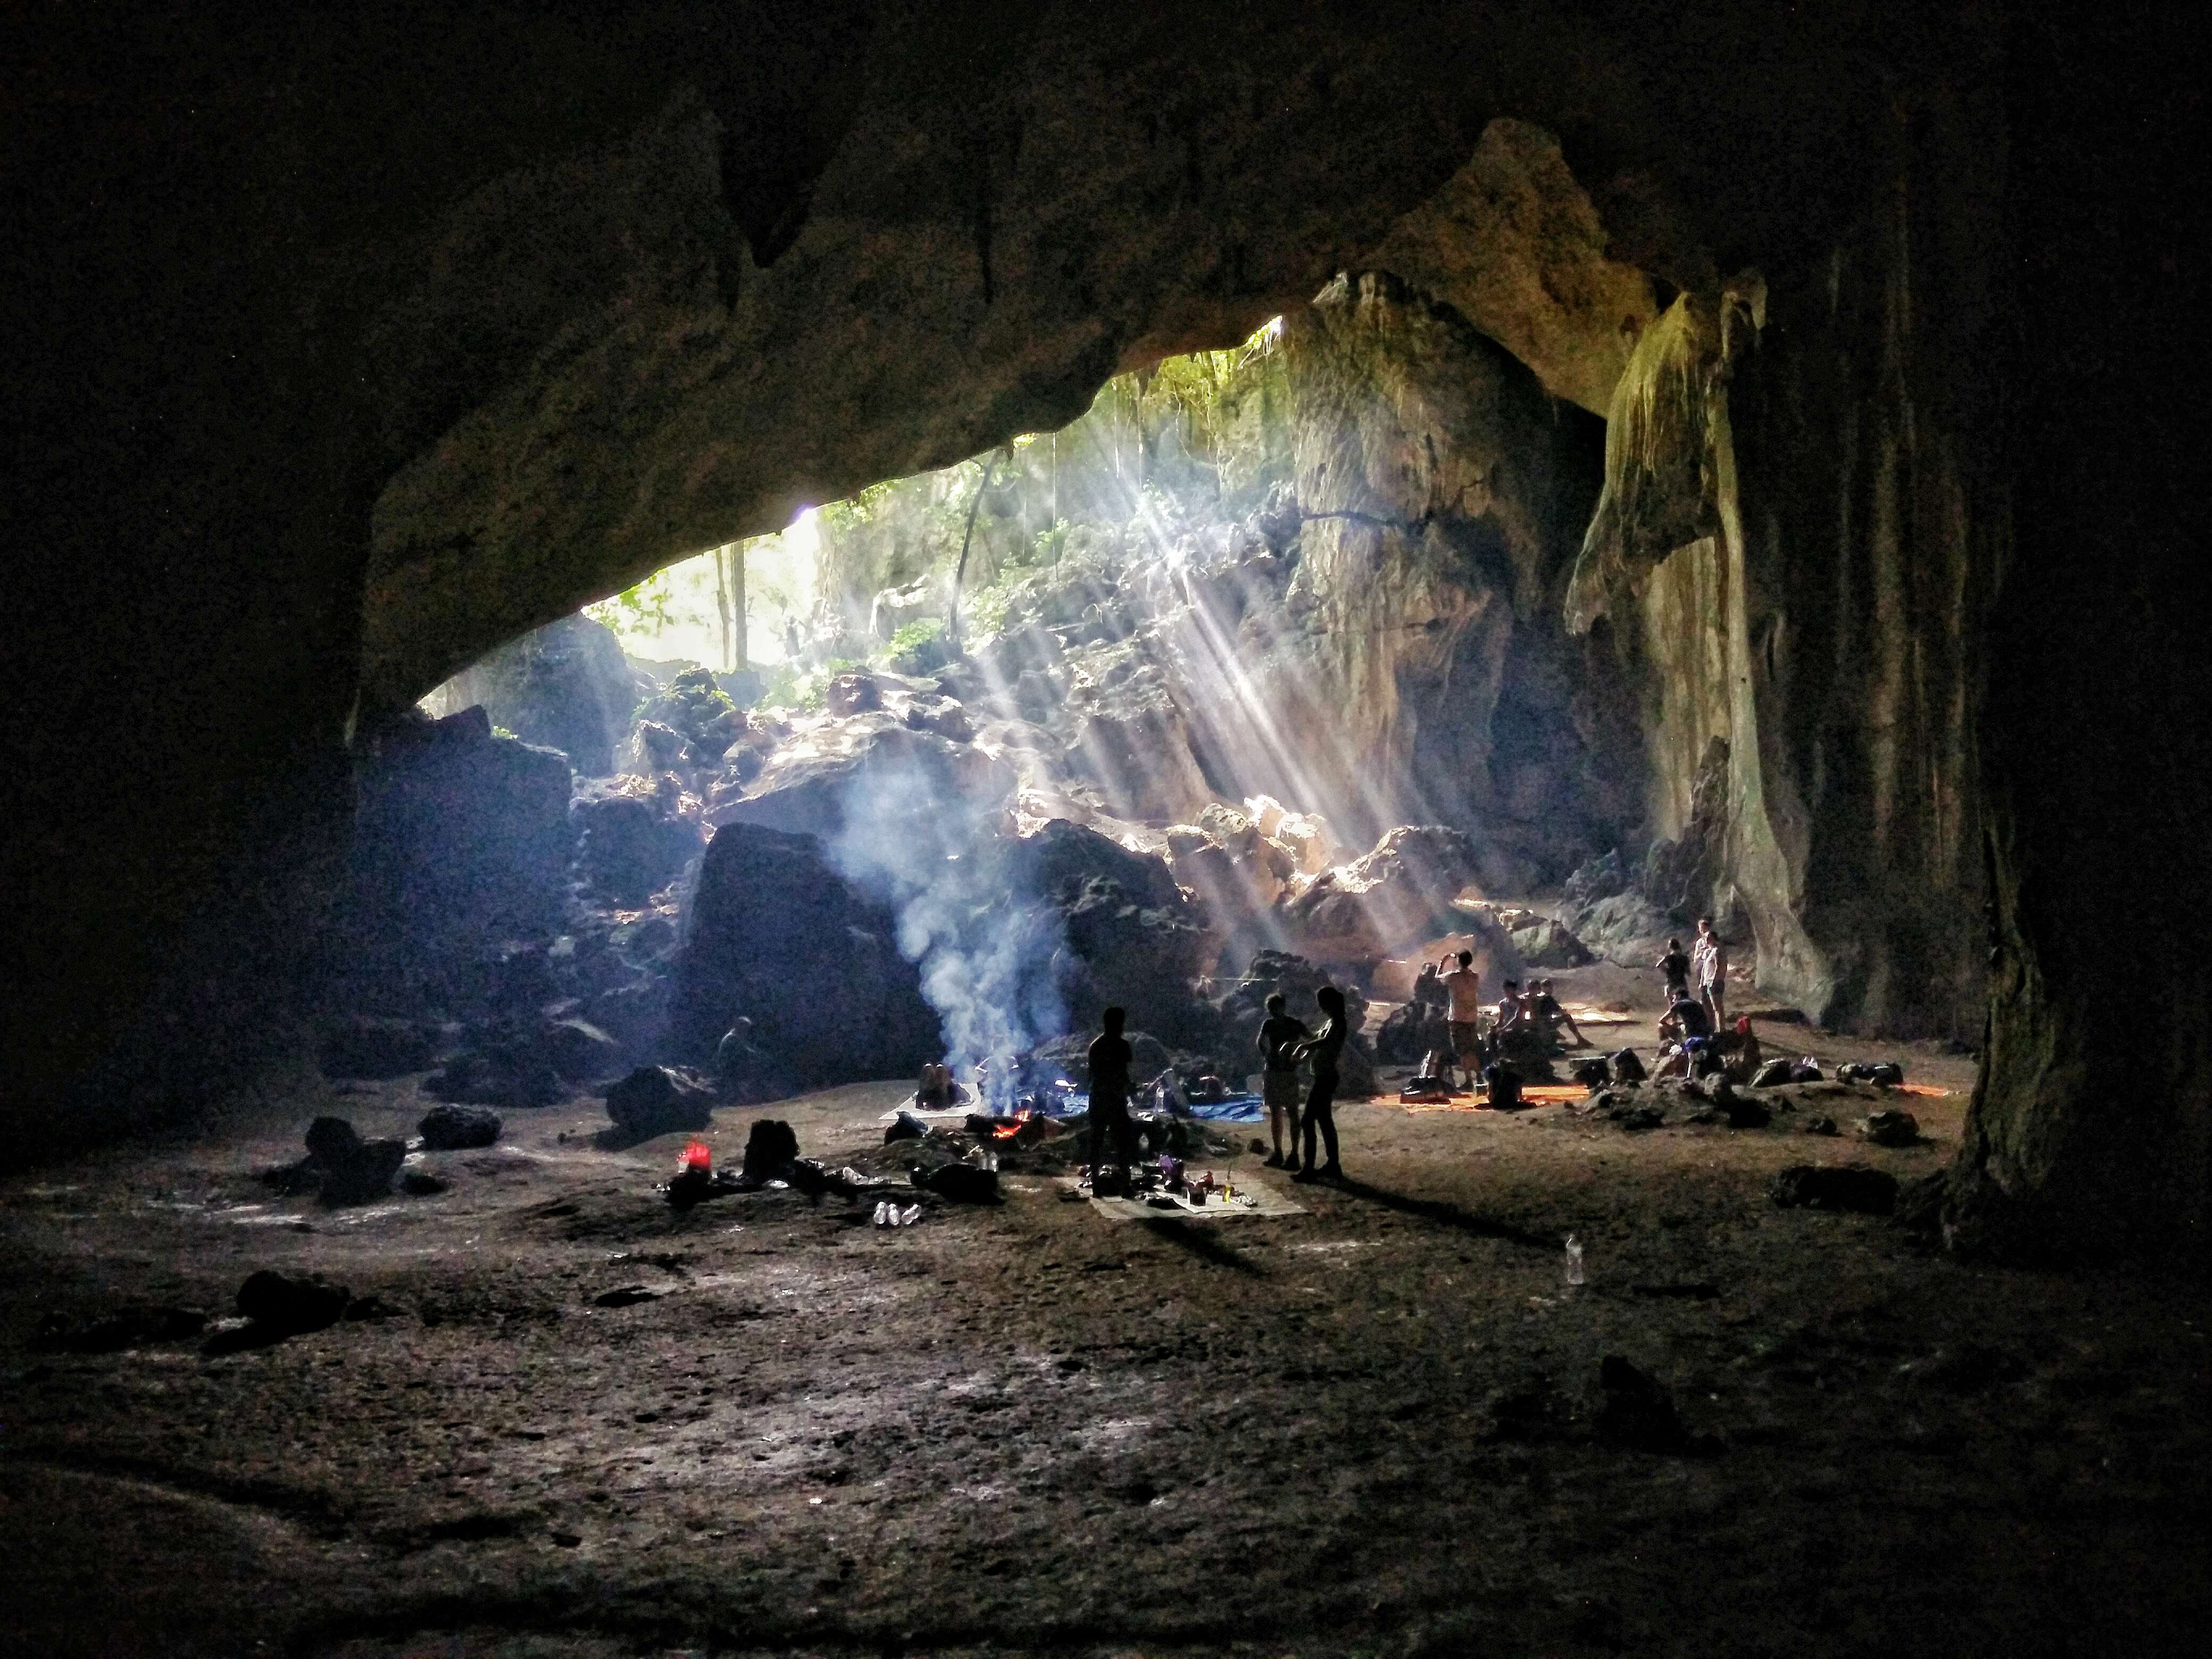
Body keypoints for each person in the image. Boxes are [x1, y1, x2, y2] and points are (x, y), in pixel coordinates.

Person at [1290, 986, 1347, 1182]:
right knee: (1324, 1121)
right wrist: (1302, 1033)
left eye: (1322, 1002)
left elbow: (1325, 1041)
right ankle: (1333, 1165)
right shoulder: (1333, 1021)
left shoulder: (1338, 1022)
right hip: (1324, 1076)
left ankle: (1309, 1168)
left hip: (1326, 1077)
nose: (1320, 1006)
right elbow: (1318, 1038)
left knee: (1307, 1120)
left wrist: (1303, 1046)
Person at [1255, 993, 1309, 1170]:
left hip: (1281, 1072)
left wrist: (1270, 1057)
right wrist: (1302, 1057)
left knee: (1287, 1113)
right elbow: (1313, 1041)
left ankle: (1289, 1154)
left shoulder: (1281, 1024)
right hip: (1282, 1071)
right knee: (1281, 1113)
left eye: (1275, 1008)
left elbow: (1260, 1043)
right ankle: (1284, 1154)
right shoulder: (1286, 1024)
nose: (1273, 1011)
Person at [1087, 1007, 1138, 1186]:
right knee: (1122, 1142)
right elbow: (1123, 1075)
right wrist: (1130, 1089)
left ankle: (1096, 1184)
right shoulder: (1122, 1046)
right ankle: (1125, 1185)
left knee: (1097, 1141)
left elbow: (1092, 1075)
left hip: (1098, 1099)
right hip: (1115, 1100)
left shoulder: (1095, 1046)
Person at [1441, 950, 1484, 1090]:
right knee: (1471, 1048)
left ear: (1459, 961)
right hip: (1472, 1018)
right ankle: (1479, 1076)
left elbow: (1437, 978)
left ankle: (1468, 1081)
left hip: (1457, 1018)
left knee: (1462, 1050)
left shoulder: (1453, 976)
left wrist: (1444, 961)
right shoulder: (1475, 977)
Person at [1534, 978, 1590, 1048]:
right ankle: (1580, 1039)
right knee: (1567, 1017)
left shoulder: (1535, 997)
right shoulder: (1548, 997)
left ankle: (1556, 1034)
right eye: (1550, 987)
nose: (1552, 989)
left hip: (1536, 1023)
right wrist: (1564, 1012)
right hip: (1545, 1023)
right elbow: (1560, 1011)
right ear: (1544, 988)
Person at [1695, 916, 1729, 1026]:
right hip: (1706, 979)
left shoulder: (1717, 949)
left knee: (1717, 1007)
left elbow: (1720, 965)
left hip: (1713, 981)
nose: (1703, 932)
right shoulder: (1701, 944)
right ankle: (1711, 1027)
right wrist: (1702, 981)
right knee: (1707, 1004)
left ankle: (1720, 1030)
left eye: (1705, 930)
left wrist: (1715, 980)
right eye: (1701, 929)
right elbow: (1699, 962)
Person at [1657, 938, 1691, 1003]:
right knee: (1684, 1003)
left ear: (1670, 947)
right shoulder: (1685, 958)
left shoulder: (1669, 957)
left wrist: (1667, 970)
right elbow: (1689, 973)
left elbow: (1659, 965)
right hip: (1682, 983)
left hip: (1671, 983)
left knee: (1672, 1005)